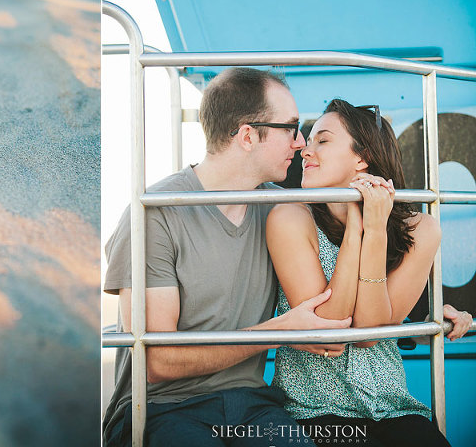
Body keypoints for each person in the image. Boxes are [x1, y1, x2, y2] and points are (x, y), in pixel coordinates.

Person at [103, 68, 355, 447]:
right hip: (162, 409)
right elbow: (158, 361)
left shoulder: (282, 210)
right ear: (249, 135)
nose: (301, 143)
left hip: (253, 406)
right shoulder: (154, 213)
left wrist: (435, 308)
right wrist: (279, 333)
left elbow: (341, 281)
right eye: (290, 128)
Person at [266, 99, 473, 447]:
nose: (306, 150)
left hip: (392, 407)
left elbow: (371, 331)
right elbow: (330, 328)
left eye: (323, 140)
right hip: (312, 410)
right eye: (308, 139)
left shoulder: (421, 228)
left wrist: (376, 231)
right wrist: (357, 228)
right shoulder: (289, 217)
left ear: (361, 159)